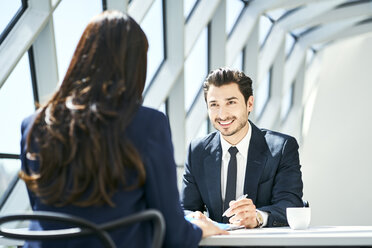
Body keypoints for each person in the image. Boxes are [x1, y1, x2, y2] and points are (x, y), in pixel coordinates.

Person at [19, 10, 227, 248]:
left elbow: (44, 213)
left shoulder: (33, 125)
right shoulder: (148, 125)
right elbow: (174, 234)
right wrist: (198, 228)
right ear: (135, 66)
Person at [181, 68, 303, 228]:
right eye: (214, 104)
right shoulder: (197, 151)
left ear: (249, 103)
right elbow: (186, 209)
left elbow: (291, 205)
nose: (222, 114)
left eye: (231, 102)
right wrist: (195, 218)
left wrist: (258, 216)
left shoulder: (281, 148)